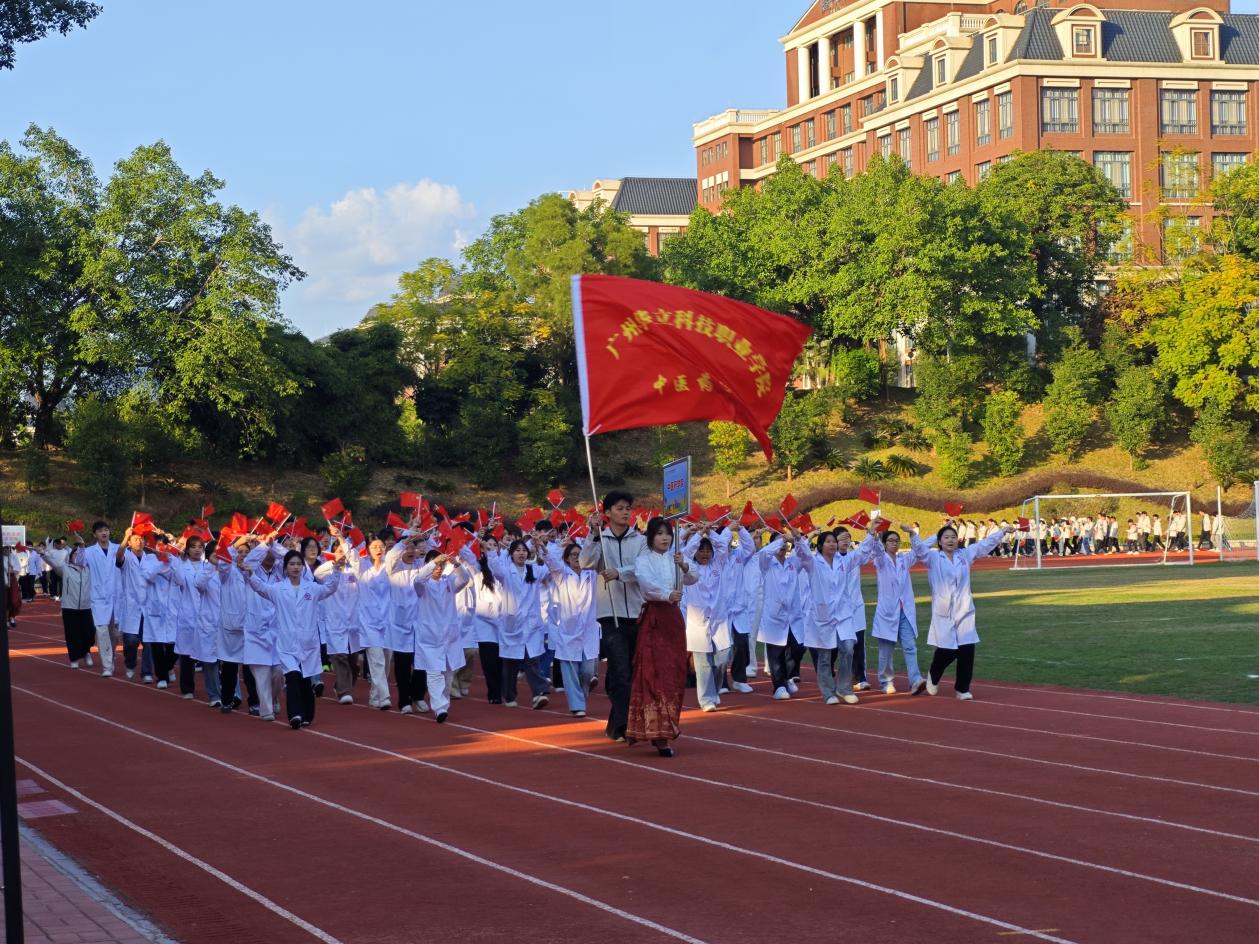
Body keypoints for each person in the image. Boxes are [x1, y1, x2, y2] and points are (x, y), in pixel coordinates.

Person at [244, 548, 343, 728]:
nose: (295, 567)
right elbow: (261, 588)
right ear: (285, 568)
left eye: (298, 564)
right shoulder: (278, 589)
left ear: (302, 567)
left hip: (308, 642)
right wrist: (251, 575)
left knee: (305, 679)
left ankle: (307, 715)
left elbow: (330, 588)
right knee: (292, 676)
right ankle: (295, 714)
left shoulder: (311, 588)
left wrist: (336, 571)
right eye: (292, 564)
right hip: (286, 643)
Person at [579, 492, 646, 742]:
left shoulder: (640, 541)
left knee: (629, 672)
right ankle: (625, 725)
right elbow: (585, 562)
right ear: (607, 513)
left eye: (628, 508)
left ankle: (615, 724)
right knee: (620, 670)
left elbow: (643, 569)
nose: (625, 512)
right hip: (610, 615)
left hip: (637, 614)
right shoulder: (600, 538)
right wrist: (593, 534)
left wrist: (619, 572)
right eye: (619, 508)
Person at [626, 517, 695, 757]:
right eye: (659, 533)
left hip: (674, 621)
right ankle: (657, 732)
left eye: (668, 534)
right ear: (650, 537)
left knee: (674, 673)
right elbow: (647, 585)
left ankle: (668, 725)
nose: (665, 538)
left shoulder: (677, 558)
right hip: (655, 619)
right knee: (653, 674)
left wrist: (684, 566)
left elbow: (694, 577)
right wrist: (667, 594)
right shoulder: (643, 560)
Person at [922, 521, 1013, 700]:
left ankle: (962, 689)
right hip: (944, 611)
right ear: (939, 541)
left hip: (964, 610)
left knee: (967, 649)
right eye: (946, 537)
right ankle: (934, 674)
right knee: (947, 650)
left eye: (953, 537)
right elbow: (919, 549)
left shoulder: (964, 554)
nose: (950, 540)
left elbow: (984, 545)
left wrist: (1002, 532)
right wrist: (914, 534)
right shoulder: (932, 557)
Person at [794, 525, 870, 705]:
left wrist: (871, 534)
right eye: (828, 541)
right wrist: (799, 539)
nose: (832, 544)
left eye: (834, 541)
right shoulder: (813, 563)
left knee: (849, 647)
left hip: (843, 613)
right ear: (820, 545)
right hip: (822, 615)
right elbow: (802, 553)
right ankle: (828, 693)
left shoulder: (843, 561)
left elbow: (861, 553)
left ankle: (844, 688)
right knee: (825, 656)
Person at [866, 522, 933, 696]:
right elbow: (877, 550)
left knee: (910, 646)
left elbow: (921, 548)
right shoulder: (880, 560)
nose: (895, 543)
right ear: (884, 543)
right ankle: (885, 681)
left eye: (897, 541)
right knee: (886, 650)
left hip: (905, 611)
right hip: (887, 612)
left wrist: (914, 533)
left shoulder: (904, 559)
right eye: (891, 541)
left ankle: (915, 680)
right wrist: (874, 535)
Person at [412, 547, 475, 723]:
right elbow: (418, 579)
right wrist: (435, 561)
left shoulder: (449, 582)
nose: (438, 568)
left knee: (448, 674)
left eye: (441, 565)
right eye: (436, 565)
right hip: (429, 636)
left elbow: (465, 579)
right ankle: (439, 707)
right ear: (428, 565)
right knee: (433, 673)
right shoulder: (422, 586)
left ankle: (443, 705)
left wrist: (456, 565)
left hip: (449, 635)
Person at [488, 538, 551, 708]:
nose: (521, 553)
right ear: (511, 554)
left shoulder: (534, 570)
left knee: (532, 660)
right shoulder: (506, 572)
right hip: (512, 624)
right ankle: (509, 696)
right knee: (511, 662)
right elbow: (495, 568)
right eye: (517, 550)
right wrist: (491, 552)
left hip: (531, 624)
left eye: (524, 550)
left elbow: (551, 567)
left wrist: (544, 549)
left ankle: (539, 692)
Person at [543, 540, 601, 717]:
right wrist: (543, 548)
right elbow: (552, 562)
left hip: (589, 630)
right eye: (573, 555)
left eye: (580, 554)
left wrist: (595, 536)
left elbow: (598, 554)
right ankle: (577, 705)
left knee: (588, 671)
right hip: (568, 630)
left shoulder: (592, 574)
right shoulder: (562, 575)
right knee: (570, 670)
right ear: (567, 559)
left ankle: (581, 695)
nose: (577, 558)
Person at [680, 525, 733, 712]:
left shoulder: (718, 564)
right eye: (701, 550)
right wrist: (697, 534)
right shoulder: (689, 567)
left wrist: (710, 533)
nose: (705, 553)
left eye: (708, 550)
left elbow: (723, 547)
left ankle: (714, 691)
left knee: (722, 658)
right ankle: (706, 699)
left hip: (718, 619)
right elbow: (685, 552)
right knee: (703, 663)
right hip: (697, 621)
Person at [351, 533, 394, 711]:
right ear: (368, 550)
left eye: (381, 546)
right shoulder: (361, 566)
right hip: (368, 622)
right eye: (374, 547)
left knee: (386, 660)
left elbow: (398, 554)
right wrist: (341, 539)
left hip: (387, 621)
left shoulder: (389, 566)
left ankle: (375, 696)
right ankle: (384, 696)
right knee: (377, 661)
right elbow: (351, 554)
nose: (378, 549)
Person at [48, 540, 94, 667]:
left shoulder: (89, 570)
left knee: (89, 632)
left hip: (86, 606)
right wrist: (44, 554)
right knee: (72, 634)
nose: (77, 557)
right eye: (75, 555)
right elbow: (54, 564)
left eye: (80, 555)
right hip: (69, 607)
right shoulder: (65, 569)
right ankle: (74, 658)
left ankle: (86, 652)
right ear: (71, 557)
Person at [83, 521, 120, 675]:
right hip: (98, 597)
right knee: (102, 631)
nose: (104, 533)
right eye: (100, 531)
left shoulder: (118, 549)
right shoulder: (88, 552)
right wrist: (80, 546)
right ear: (94, 535)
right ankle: (107, 666)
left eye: (106, 530)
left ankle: (111, 657)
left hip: (117, 595)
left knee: (114, 633)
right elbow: (78, 562)